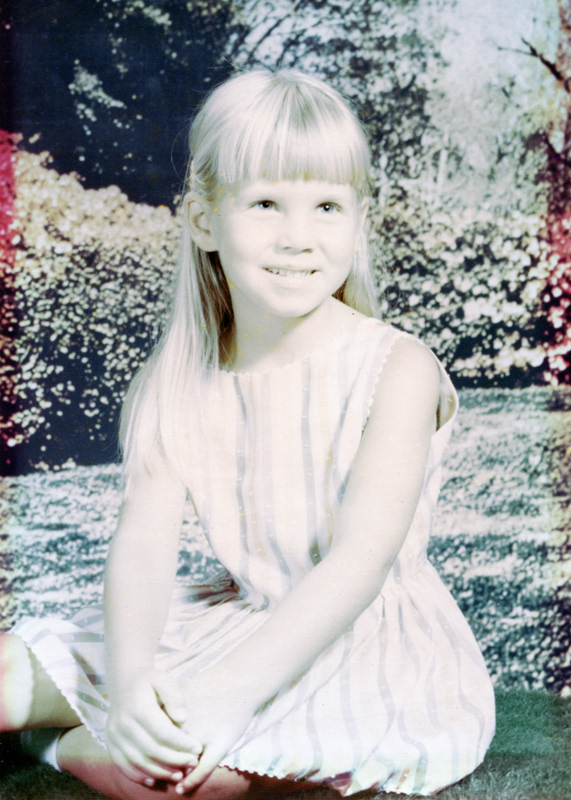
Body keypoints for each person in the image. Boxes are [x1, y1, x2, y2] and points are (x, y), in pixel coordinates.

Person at [0, 68, 495, 799]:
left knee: (188, 780)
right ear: (205, 221)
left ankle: (62, 744)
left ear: (358, 222)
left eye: (327, 206)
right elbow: (141, 551)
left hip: (359, 643)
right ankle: (106, 716)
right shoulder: (179, 379)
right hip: (235, 616)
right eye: (265, 203)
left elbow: (358, 564)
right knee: (9, 674)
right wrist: (131, 687)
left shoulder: (396, 367)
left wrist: (221, 698)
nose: (298, 237)